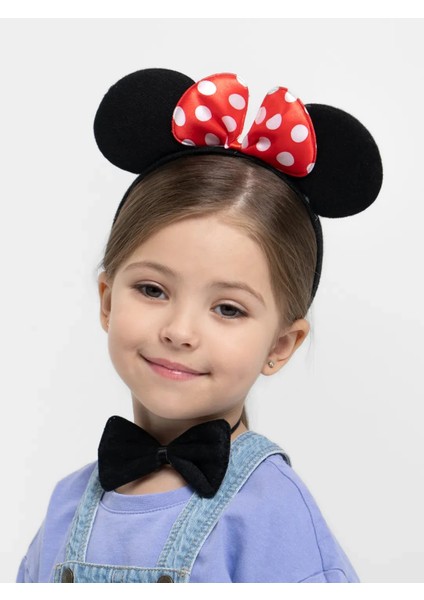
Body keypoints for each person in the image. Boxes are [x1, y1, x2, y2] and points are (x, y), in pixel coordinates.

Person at [16, 68, 383, 583]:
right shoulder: (67, 506)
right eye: (152, 290)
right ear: (107, 301)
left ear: (281, 345)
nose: (180, 331)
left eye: (228, 309)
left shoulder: (273, 515)